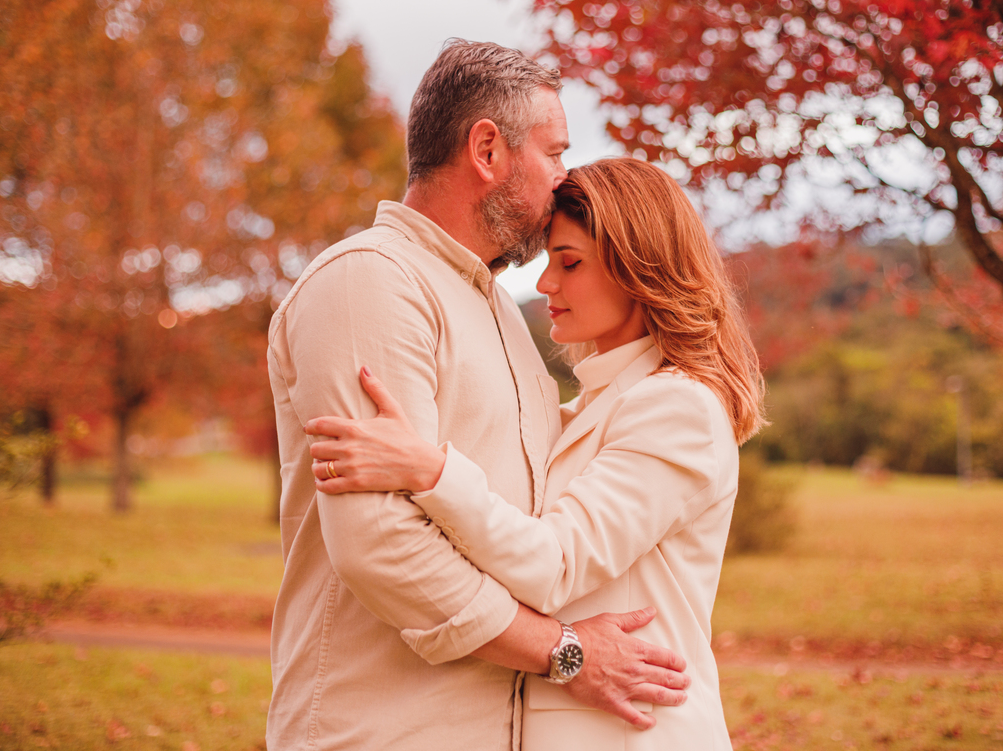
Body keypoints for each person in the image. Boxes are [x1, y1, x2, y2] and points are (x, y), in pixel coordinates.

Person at [265, 42, 691, 751]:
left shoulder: (495, 306)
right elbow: (380, 546)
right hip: (381, 732)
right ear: (487, 149)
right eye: (556, 153)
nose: (565, 178)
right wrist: (563, 650)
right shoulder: (371, 283)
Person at [307, 157, 767, 750]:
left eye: (570, 262)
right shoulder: (591, 410)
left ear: (638, 270)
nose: (547, 284)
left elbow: (553, 567)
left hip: (633, 733)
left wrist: (431, 469)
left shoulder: (678, 410)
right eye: (550, 261)